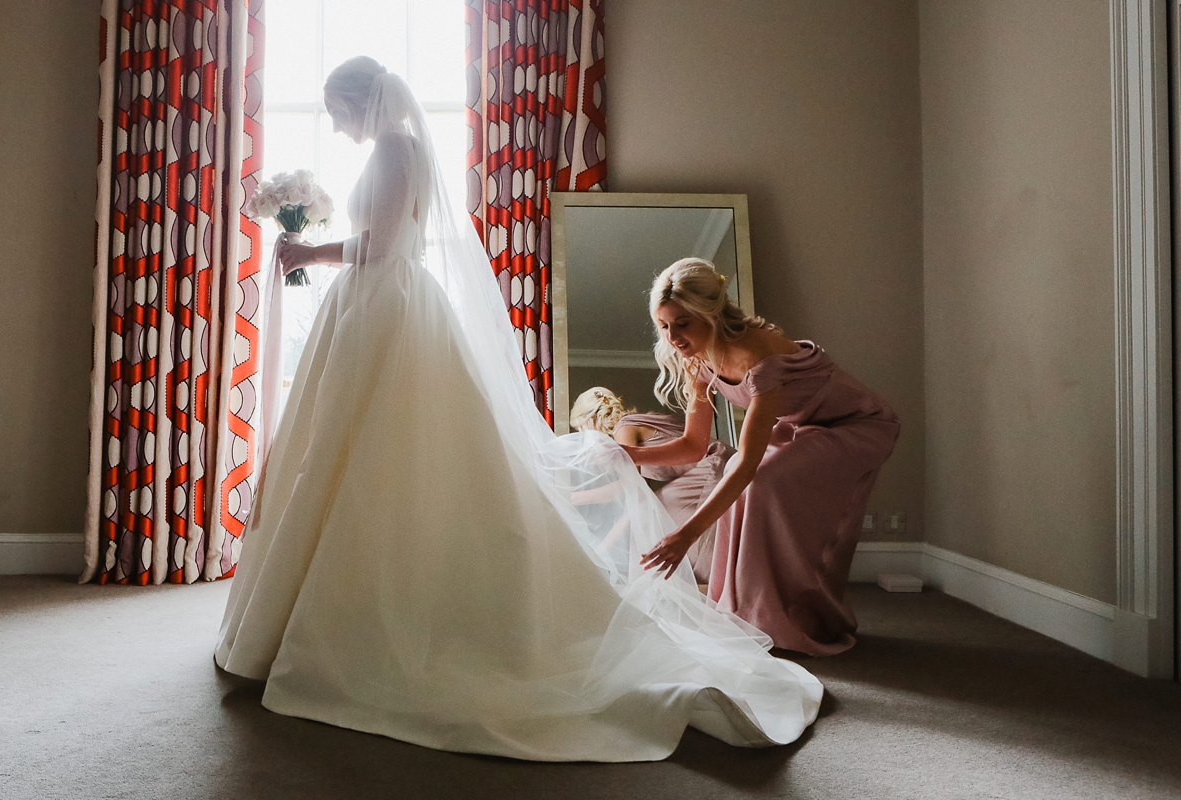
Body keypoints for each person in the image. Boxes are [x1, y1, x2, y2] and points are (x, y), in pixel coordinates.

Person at [214, 57, 822, 762]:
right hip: (370, 310)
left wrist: (307, 248)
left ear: (361, 102)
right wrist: (313, 246)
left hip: (385, 309)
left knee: (385, 456)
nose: (334, 122)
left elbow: (383, 244)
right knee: (346, 453)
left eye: (336, 108)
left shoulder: (396, 150)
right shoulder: (392, 151)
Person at [627, 258, 900, 656]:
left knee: (758, 480)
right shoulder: (698, 360)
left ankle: (793, 617)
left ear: (710, 312)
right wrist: (628, 453)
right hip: (804, 426)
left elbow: (749, 466)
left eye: (683, 323)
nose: (673, 337)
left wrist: (684, 537)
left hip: (856, 424)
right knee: (744, 480)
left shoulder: (757, 355)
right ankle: (744, 615)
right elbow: (693, 445)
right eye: (664, 325)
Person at [569, 387, 733, 583]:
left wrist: (602, 550)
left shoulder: (624, 428)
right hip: (720, 462)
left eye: (580, 430)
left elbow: (634, 494)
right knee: (651, 513)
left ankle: (654, 586)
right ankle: (660, 584)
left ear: (589, 421)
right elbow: (626, 487)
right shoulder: (632, 423)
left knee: (651, 511)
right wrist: (573, 498)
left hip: (713, 465)